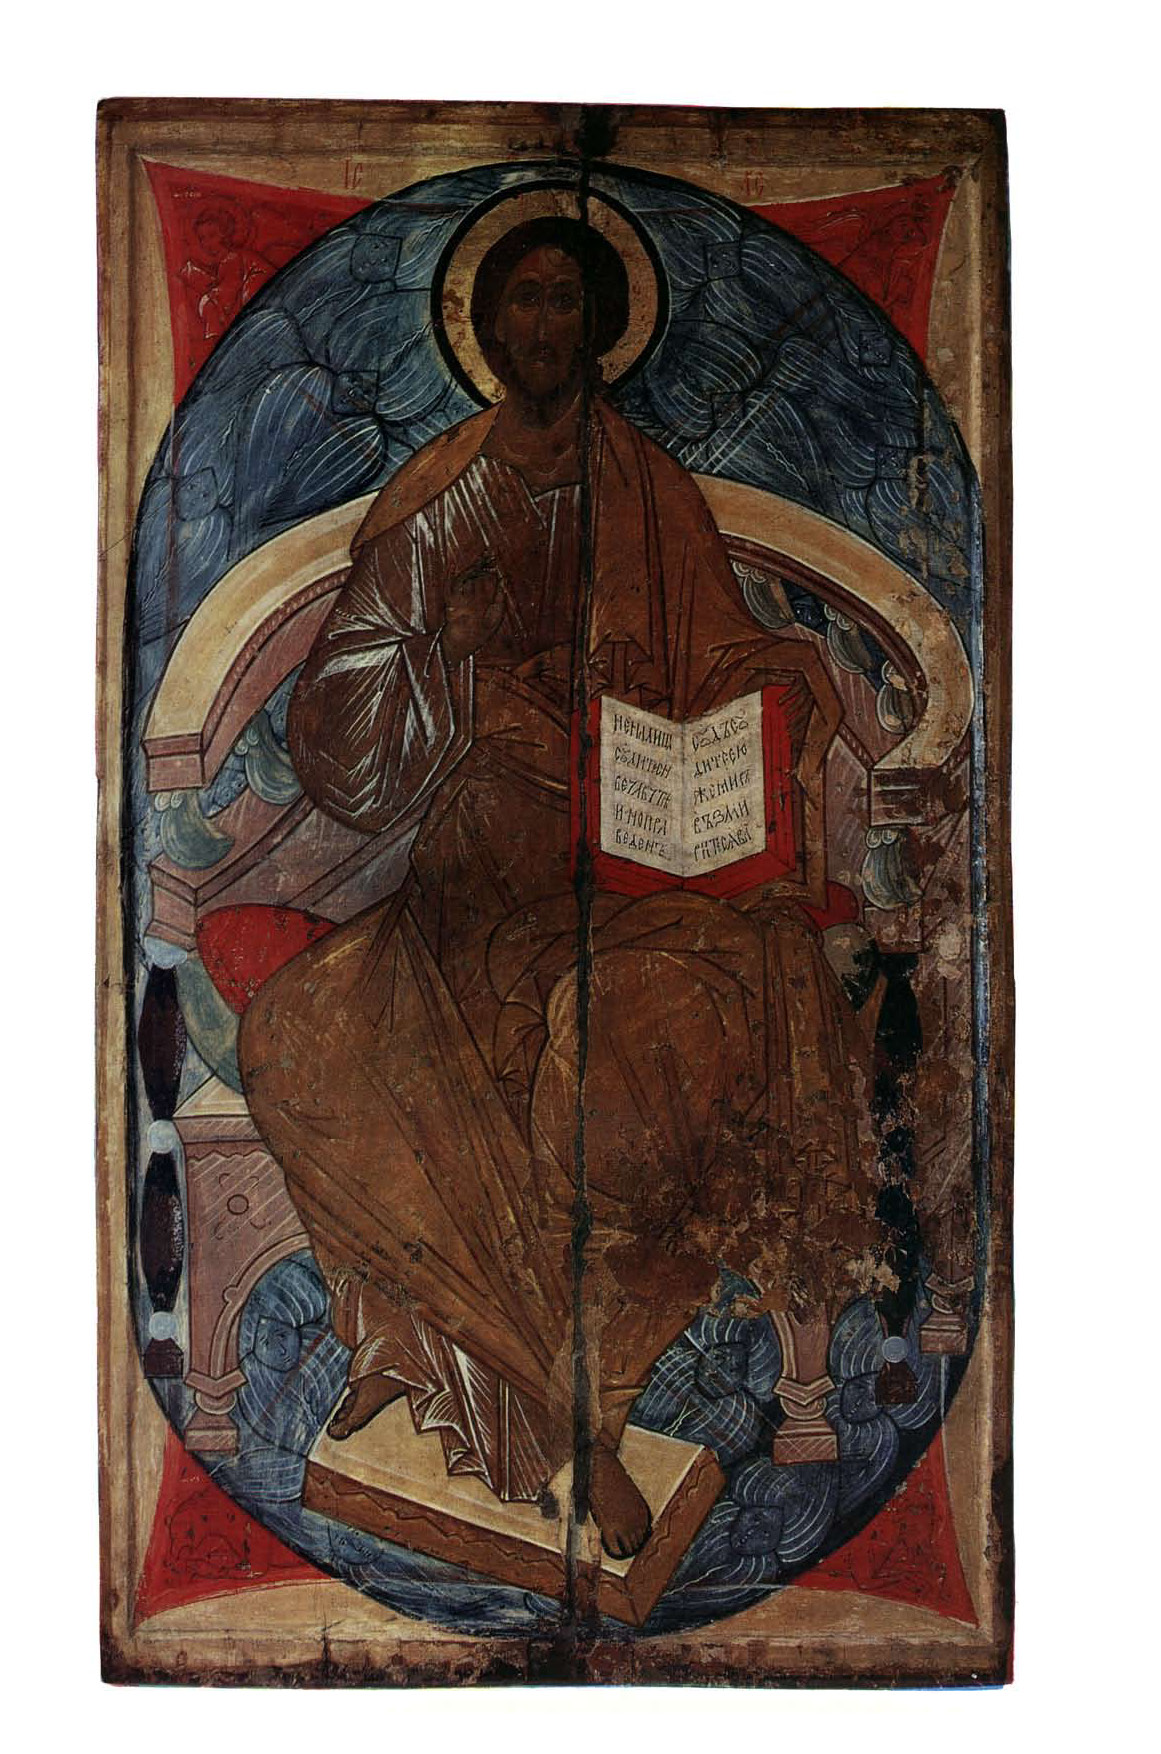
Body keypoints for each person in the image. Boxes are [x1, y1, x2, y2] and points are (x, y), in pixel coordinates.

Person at [238, 216, 891, 1562]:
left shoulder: (649, 490)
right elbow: (339, 711)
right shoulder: (443, 494)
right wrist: (461, 686)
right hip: (474, 884)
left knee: (626, 1074)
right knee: (298, 1037)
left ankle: (588, 1415)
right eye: (520, 301)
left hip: (650, 878)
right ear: (482, 326)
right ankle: (450, 1364)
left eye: (564, 299)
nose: (543, 324)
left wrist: (769, 687)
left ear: (600, 324)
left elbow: (719, 656)